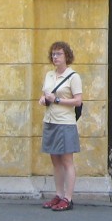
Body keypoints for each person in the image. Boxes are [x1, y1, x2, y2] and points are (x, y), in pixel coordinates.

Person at [38, 41, 82, 211]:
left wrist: (56, 100)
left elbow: (78, 101)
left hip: (65, 123)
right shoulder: (49, 75)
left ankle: (68, 198)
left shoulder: (73, 76)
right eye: (53, 54)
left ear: (67, 56)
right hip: (50, 120)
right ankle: (58, 194)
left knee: (67, 161)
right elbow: (45, 94)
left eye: (59, 54)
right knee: (55, 161)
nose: (55, 57)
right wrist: (43, 99)